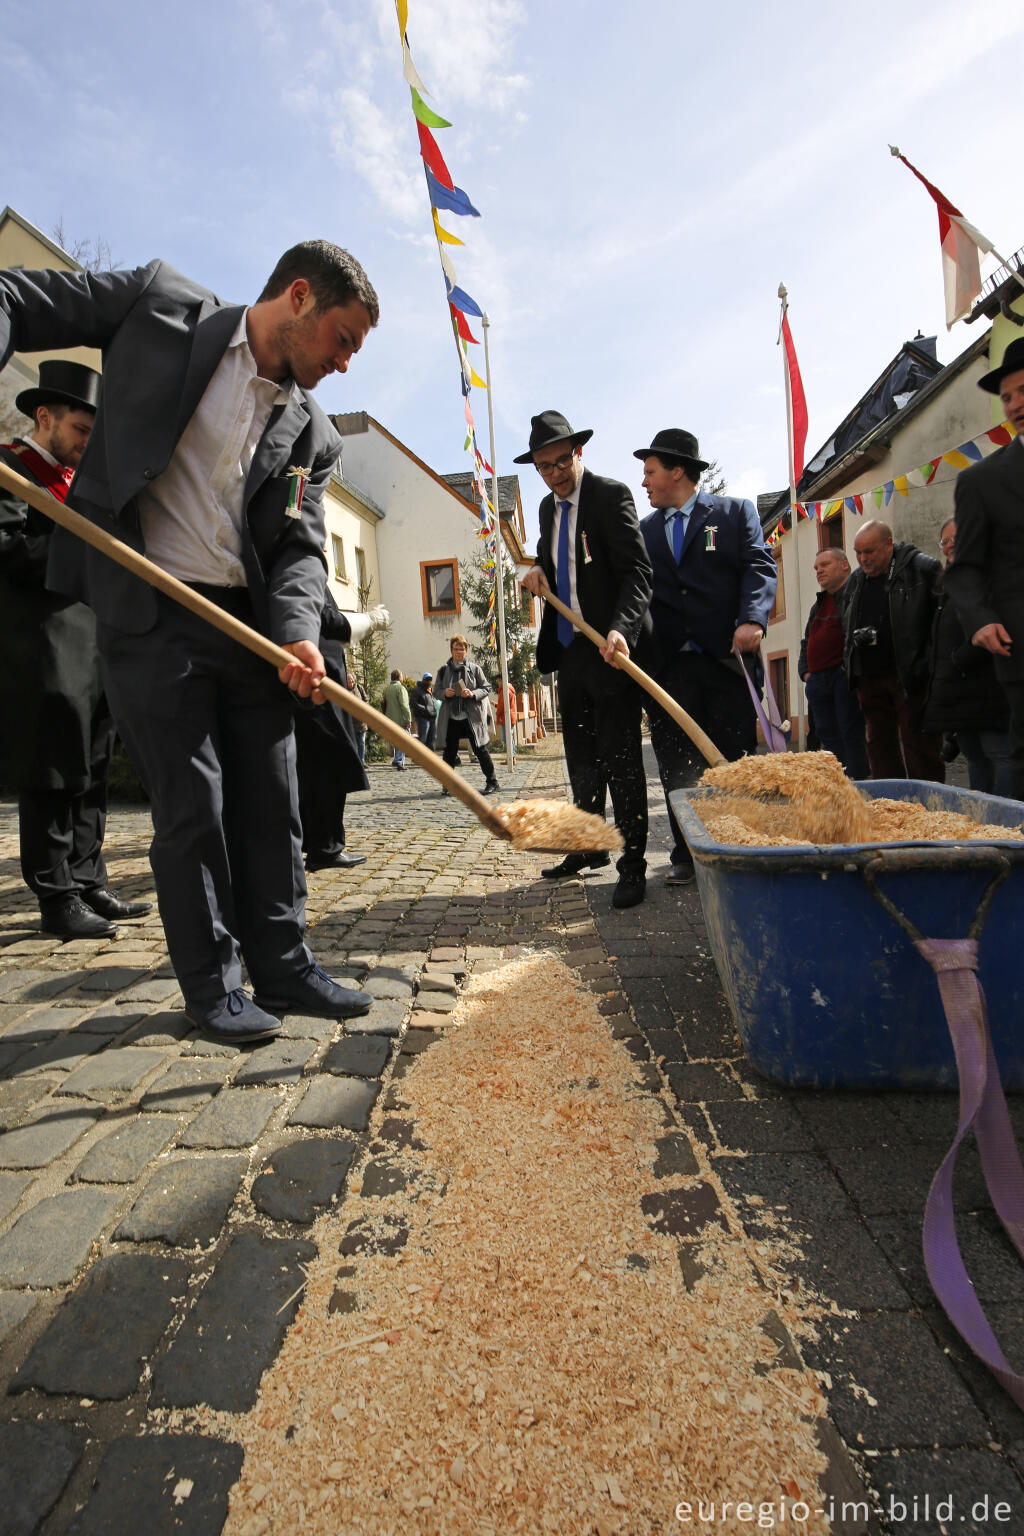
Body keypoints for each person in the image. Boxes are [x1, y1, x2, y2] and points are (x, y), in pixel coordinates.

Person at [0, 240, 379, 1043]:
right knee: (193, 805)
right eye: (343, 339)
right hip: (150, 609)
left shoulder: (312, 432)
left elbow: (301, 549)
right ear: (301, 297)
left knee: (271, 800)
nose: (345, 363)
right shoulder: (159, 306)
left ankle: (285, 962)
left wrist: (300, 634)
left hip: (249, 626)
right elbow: (16, 298)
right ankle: (213, 985)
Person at [0, 359, 152, 939]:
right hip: (43, 648)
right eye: (80, 432)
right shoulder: (10, 470)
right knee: (53, 773)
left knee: (90, 768)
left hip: (95, 645)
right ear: (44, 416)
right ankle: (55, 894)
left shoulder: (82, 487)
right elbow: (9, 552)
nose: (88, 446)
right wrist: (82, 549)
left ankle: (89, 881)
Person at [518, 411, 652, 908]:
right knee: (580, 759)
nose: (554, 475)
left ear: (578, 452)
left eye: (560, 462)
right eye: (543, 467)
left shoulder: (611, 495)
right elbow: (549, 559)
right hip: (571, 649)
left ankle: (633, 862)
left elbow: (638, 571)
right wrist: (535, 567)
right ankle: (587, 847)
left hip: (609, 649)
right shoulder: (547, 510)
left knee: (621, 760)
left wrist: (622, 629)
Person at [634, 429, 777, 884]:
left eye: (650, 472)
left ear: (678, 471)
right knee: (676, 764)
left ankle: (736, 847)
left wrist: (753, 618)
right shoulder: (645, 531)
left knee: (732, 760)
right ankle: (685, 854)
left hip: (726, 663)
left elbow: (759, 564)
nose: (644, 483)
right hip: (669, 670)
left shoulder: (735, 513)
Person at [945, 336, 1024, 802]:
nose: (1015, 405)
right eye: (1008, 396)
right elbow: (965, 570)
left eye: (1023, 391)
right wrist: (980, 618)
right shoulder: (982, 480)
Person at [293, 592, 388, 871]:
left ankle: (322, 844)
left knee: (322, 770)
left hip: (325, 684)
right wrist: (363, 622)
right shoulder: (300, 559)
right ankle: (324, 847)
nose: (323, 547)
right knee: (327, 768)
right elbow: (320, 616)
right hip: (317, 686)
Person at [842, 519, 943, 782]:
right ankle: (890, 803)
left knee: (919, 746)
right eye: (858, 552)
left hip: (909, 676)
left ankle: (929, 809)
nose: (862, 559)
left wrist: (926, 666)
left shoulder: (923, 569)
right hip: (869, 677)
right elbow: (847, 623)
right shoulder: (855, 581)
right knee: (878, 747)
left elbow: (940, 626)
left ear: (888, 545)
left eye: (869, 551)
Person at [922, 519, 1012, 797]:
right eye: (945, 541)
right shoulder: (952, 583)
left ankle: (1008, 821)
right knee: (975, 755)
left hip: (992, 686)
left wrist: (961, 657)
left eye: (956, 540)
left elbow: (1003, 626)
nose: (949, 546)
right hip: (961, 691)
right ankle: (982, 820)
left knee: (1000, 754)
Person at [797, 547, 869, 778]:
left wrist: (846, 669)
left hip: (842, 678)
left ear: (844, 565)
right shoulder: (818, 604)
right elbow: (807, 639)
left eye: (825, 565)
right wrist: (805, 672)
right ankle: (836, 785)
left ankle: (857, 784)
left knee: (850, 732)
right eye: (816, 568)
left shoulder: (856, 595)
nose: (819, 571)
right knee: (826, 736)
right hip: (818, 681)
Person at [433, 636, 500, 795]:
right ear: (451, 650)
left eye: (462, 649)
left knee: (481, 750)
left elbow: (486, 688)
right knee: (449, 753)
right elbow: (436, 692)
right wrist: (444, 693)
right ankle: (447, 784)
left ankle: (493, 782)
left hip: (471, 717)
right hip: (451, 718)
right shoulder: (443, 671)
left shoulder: (475, 669)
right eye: (456, 648)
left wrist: (472, 693)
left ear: (466, 651)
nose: (459, 652)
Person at [382, 669, 413, 768]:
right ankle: (398, 760)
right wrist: (409, 719)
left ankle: (398, 759)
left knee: (397, 740)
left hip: (390, 719)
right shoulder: (400, 688)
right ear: (399, 678)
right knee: (405, 740)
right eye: (402, 676)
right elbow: (404, 705)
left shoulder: (387, 689)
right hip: (401, 719)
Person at [409, 671, 437, 750]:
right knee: (423, 738)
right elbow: (413, 703)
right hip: (423, 718)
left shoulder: (431, 690)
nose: (428, 681)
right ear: (423, 680)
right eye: (426, 679)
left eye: (430, 679)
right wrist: (425, 709)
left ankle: (430, 757)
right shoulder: (417, 690)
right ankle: (419, 756)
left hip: (432, 717)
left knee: (432, 738)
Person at [348, 669, 369, 764]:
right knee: (352, 744)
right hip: (350, 722)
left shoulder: (359, 688)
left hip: (361, 721)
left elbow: (366, 699)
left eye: (352, 679)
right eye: (348, 680)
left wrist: (364, 708)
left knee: (361, 743)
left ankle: (362, 761)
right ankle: (355, 762)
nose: (351, 682)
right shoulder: (344, 689)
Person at [495, 678, 517, 762]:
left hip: (505, 717)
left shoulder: (505, 690)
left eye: (499, 681)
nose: (498, 683)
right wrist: (496, 705)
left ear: (502, 680)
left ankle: (511, 757)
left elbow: (502, 706)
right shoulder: (508, 689)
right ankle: (512, 757)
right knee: (509, 738)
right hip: (509, 716)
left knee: (506, 738)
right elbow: (504, 704)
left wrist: (497, 713)